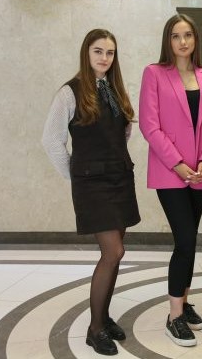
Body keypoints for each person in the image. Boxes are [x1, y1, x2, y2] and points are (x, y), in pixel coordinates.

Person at [42, 29, 140, 356]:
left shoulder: (115, 89)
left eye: (110, 53)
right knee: (113, 253)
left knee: (114, 254)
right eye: (98, 51)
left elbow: (123, 131)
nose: (104, 58)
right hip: (93, 184)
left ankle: (104, 317)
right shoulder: (69, 93)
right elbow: (51, 141)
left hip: (119, 178)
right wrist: (76, 177)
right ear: (87, 53)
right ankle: (95, 329)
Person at [138, 14, 202, 347]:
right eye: (175, 36)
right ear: (167, 41)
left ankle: (183, 303)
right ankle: (174, 317)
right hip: (169, 172)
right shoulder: (154, 73)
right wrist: (179, 165)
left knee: (191, 240)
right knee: (184, 241)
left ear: (195, 39)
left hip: (200, 172)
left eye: (188, 35)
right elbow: (149, 126)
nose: (183, 41)